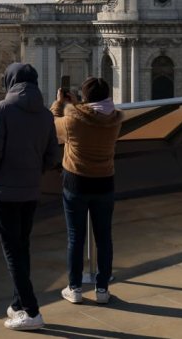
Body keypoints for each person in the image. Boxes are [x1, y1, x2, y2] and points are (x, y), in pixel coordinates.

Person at [0, 62, 61, 331]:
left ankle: (32, 311)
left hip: (5, 191)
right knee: (22, 246)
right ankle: (17, 304)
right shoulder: (45, 115)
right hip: (30, 189)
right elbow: (52, 156)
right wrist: (33, 171)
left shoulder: (1, 110)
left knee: (12, 251)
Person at [51, 77, 123, 306]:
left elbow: (53, 126)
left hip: (76, 184)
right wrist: (77, 105)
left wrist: (60, 104)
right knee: (104, 238)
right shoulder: (115, 120)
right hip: (104, 183)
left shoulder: (73, 121)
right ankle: (102, 289)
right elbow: (94, 115)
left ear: (84, 97)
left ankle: (74, 288)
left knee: (76, 237)